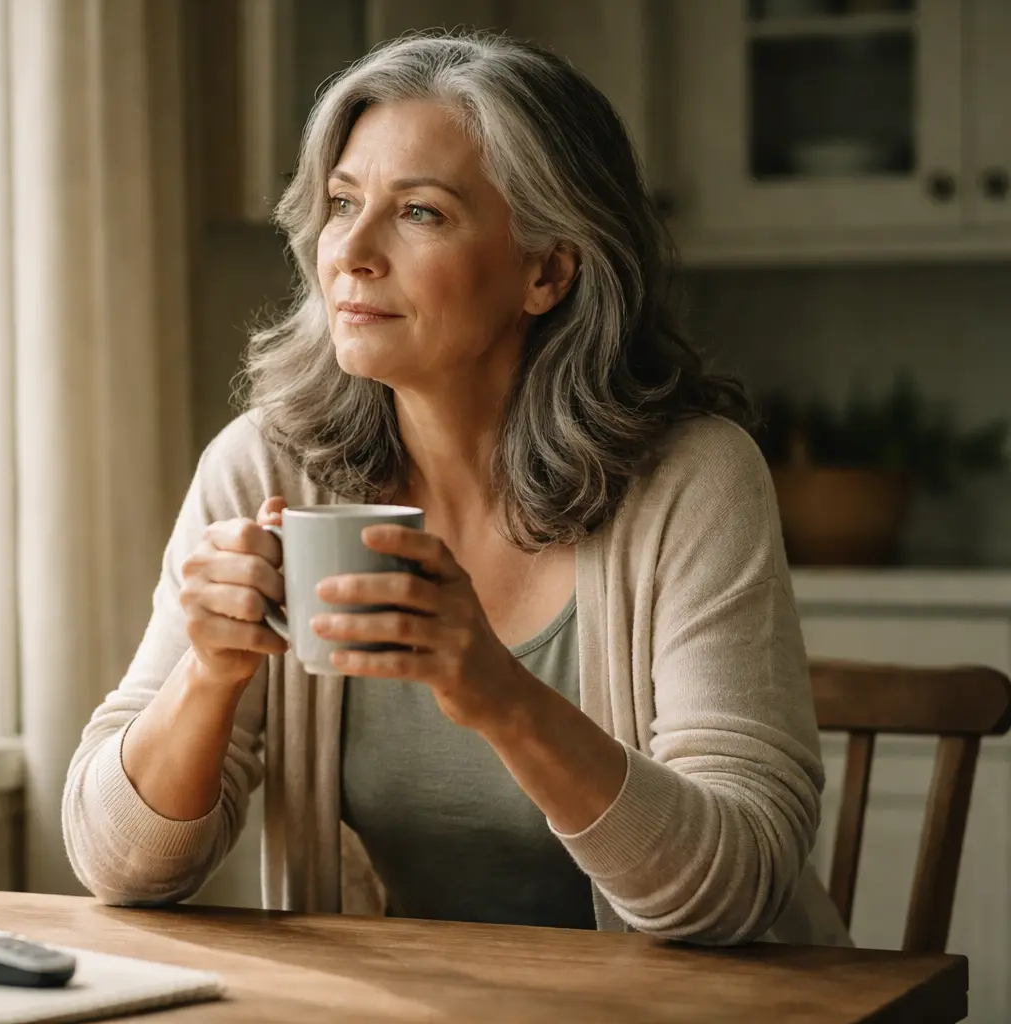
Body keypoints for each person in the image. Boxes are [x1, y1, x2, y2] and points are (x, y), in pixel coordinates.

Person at [61, 31, 851, 945]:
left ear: (547, 270)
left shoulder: (692, 482)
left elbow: (733, 892)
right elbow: (115, 867)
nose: (349, 250)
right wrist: (209, 672)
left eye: (421, 213)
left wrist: (500, 695)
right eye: (341, 202)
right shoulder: (265, 468)